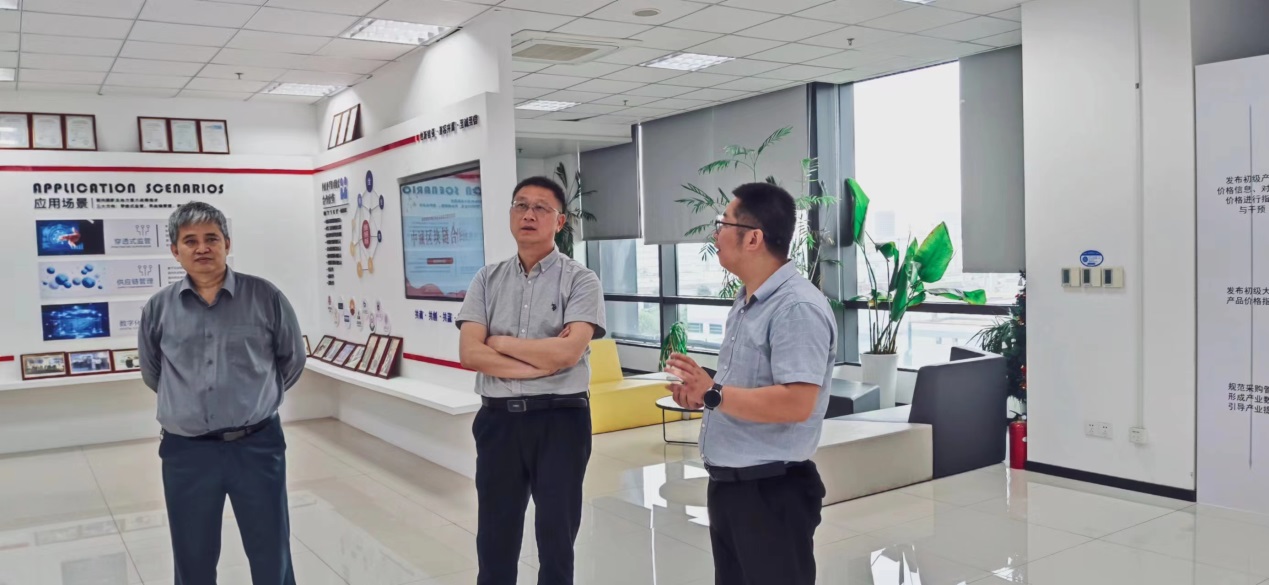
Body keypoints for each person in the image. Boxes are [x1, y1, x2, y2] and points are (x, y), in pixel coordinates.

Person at [664, 182, 837, 585]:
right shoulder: (747, 301)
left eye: (722, 223)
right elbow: (742, 388)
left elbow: (796, 403)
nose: (715, 234)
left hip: (771, 493)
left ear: (754, 238)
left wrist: (713, 393)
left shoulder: (796, 307)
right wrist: (702, 393)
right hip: (732, 489)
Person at [138, 201, 306, 585]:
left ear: (227, 244)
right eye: (190, 241)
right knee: (192, 556)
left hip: (257, 446)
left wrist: (254, 399)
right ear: (174, 250)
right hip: (187, 452)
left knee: (271, 550)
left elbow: (292, 359)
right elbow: (153, 372)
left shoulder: (266, 297)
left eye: (211, 238)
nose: (202, 248)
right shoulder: (158, 308)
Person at [456, 176, 606, 585]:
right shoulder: (486, 279)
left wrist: (500, 342)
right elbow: (470, 353)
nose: (529, 214)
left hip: (560, 422)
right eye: (521, 205)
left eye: (541, 207)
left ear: (559, 221)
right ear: (510, 214)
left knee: (557, 539)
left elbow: (567, 353)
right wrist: (539, 364)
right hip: (498, 422)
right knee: (495, 539)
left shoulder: (581, 280)